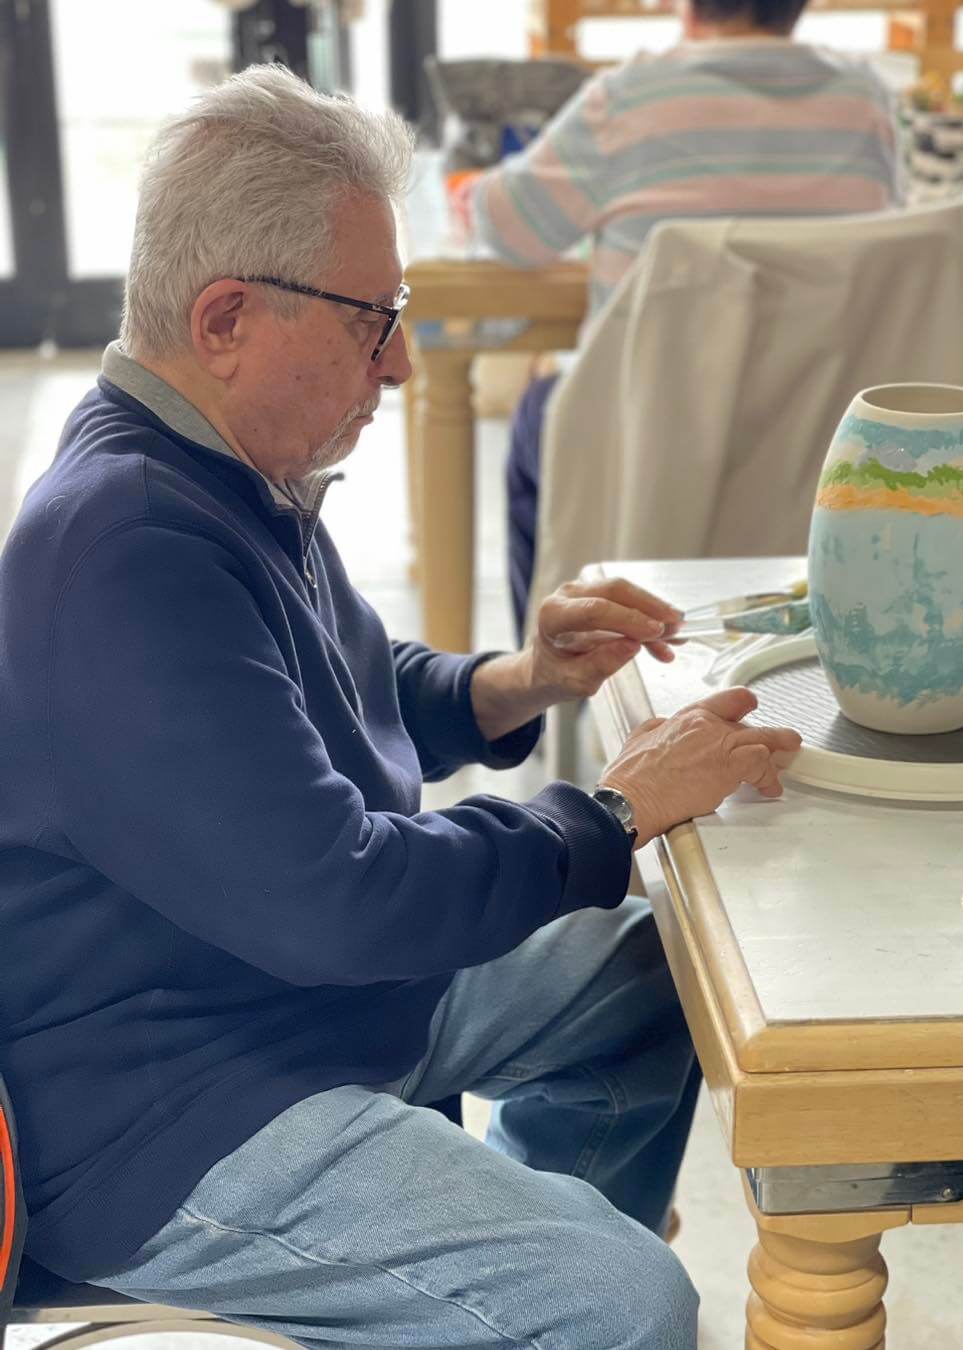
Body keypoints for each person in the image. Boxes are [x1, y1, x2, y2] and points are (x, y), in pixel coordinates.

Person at [0, 66, 800, 1349]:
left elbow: (328, 695)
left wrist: (519, 679)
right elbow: (346, 898)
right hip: (170, 1107)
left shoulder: (214, 469)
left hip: (287, 998)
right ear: (226, 319)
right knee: (625, 1301)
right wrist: (608, 815)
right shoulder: (128, 547)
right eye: (374, 322)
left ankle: (499, 1298)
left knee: (657, 964)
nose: (405, 363)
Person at [466, 0, 903, 641]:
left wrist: (471, 190)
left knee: (541, 413)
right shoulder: (865, 101)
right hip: (824, 451)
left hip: (652, 448)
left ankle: (551, 674)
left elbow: (507, 228)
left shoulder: (630, 97)